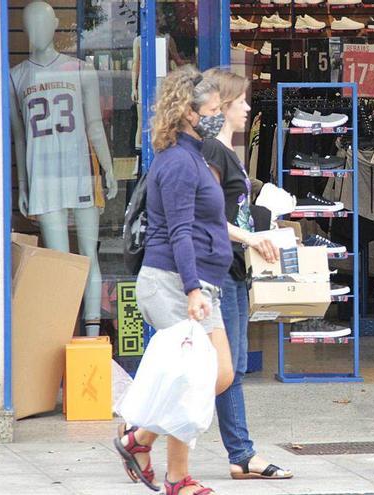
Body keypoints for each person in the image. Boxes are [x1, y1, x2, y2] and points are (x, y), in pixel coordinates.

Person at [114, 65, 234, 495]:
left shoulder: (192, 155)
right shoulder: (180, 163)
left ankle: (139, 438)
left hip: (198, 282)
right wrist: (192, 289)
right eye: (215, 108)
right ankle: (177, 478)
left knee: (218, 374)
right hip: (174, 282)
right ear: (189, 112)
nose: (220, 114)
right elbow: (180, 231)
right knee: (195, 378)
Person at [200, 68, 292, 480]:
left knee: (229, 365)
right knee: (222, 367)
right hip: (218, 268)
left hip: (232, 267)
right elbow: (208, 218)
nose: (249, 108)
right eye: (242, 102)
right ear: (222, 106)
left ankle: (240, 454)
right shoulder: (212, 152)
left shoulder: (225, 152)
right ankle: (143, 431)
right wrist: (251, 238)